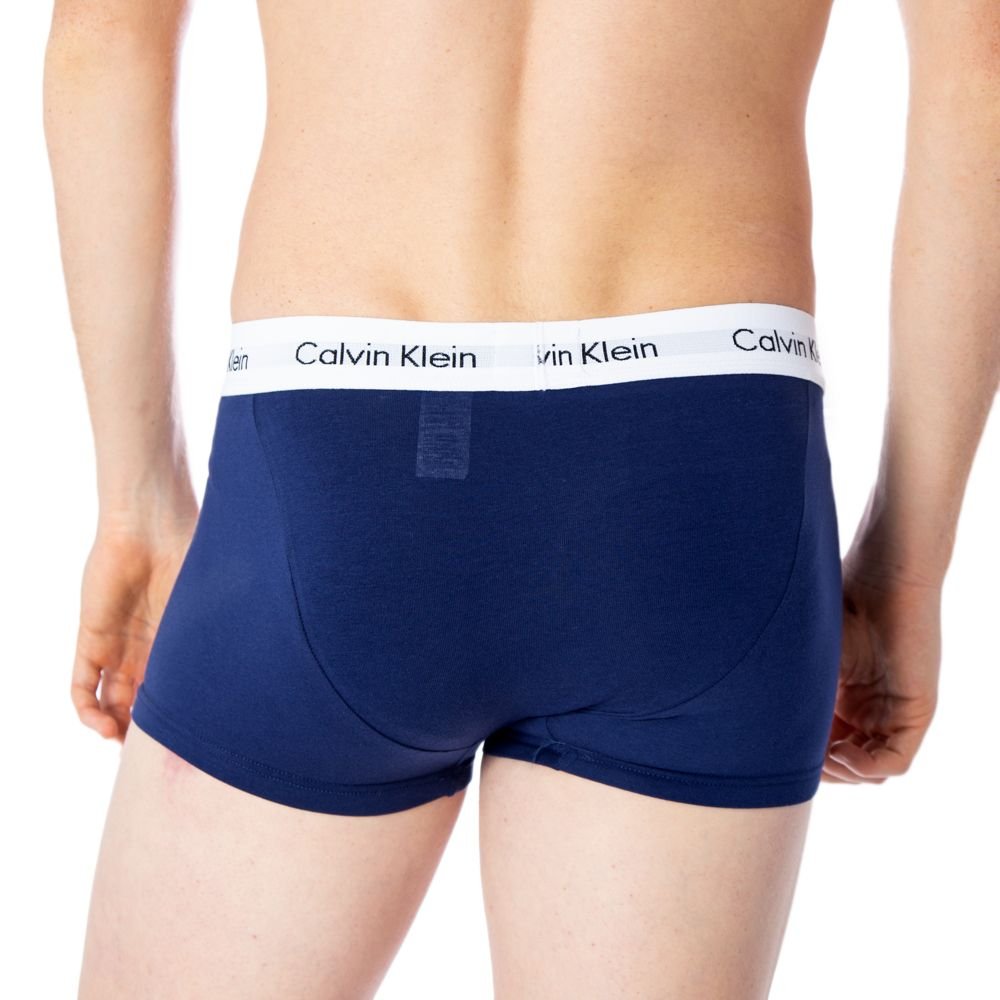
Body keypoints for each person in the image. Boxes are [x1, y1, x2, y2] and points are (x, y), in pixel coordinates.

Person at [43, 1, 998, 997]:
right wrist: (907, 565)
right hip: (700, 470)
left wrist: (137, 502)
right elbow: (982, 70)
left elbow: (104, 39)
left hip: (338, 447)